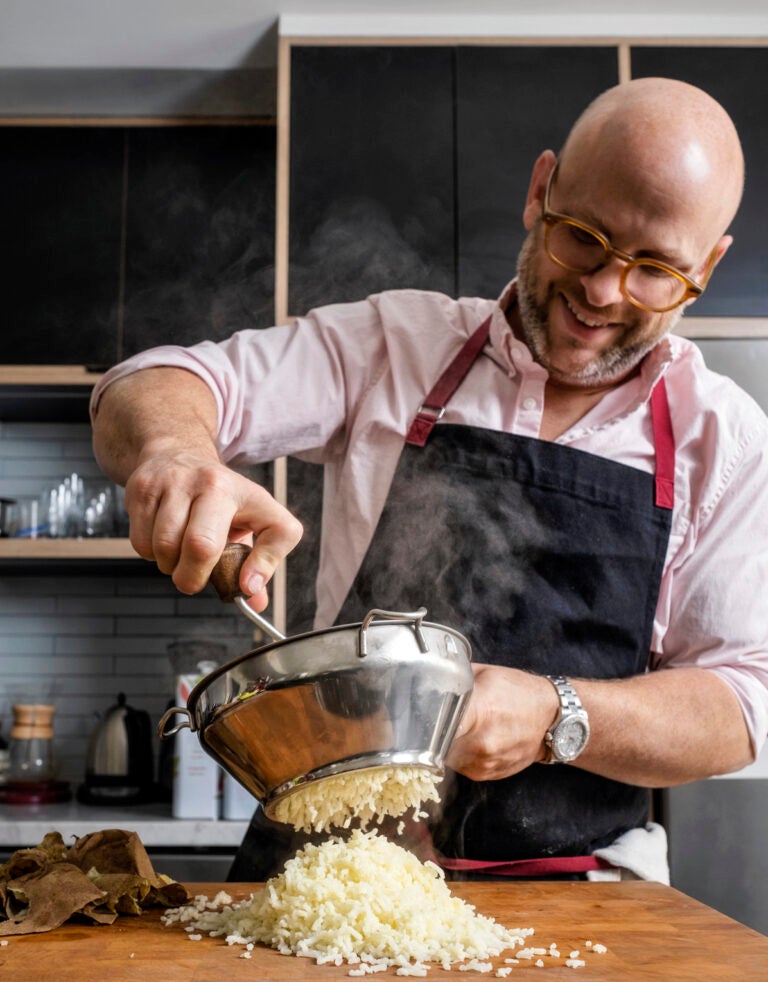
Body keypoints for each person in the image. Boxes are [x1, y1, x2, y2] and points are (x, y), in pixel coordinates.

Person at [90, 77, 768, 883]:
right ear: (539, 190)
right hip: (326, 878)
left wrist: (559, 713)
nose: (602, 290)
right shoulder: (395, 345)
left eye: (655, 268)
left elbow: (742, 702)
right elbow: (153, 382)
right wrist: (176, 452)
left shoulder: (722, 436)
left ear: (710, 264)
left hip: (582, 900)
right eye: (582, 235)